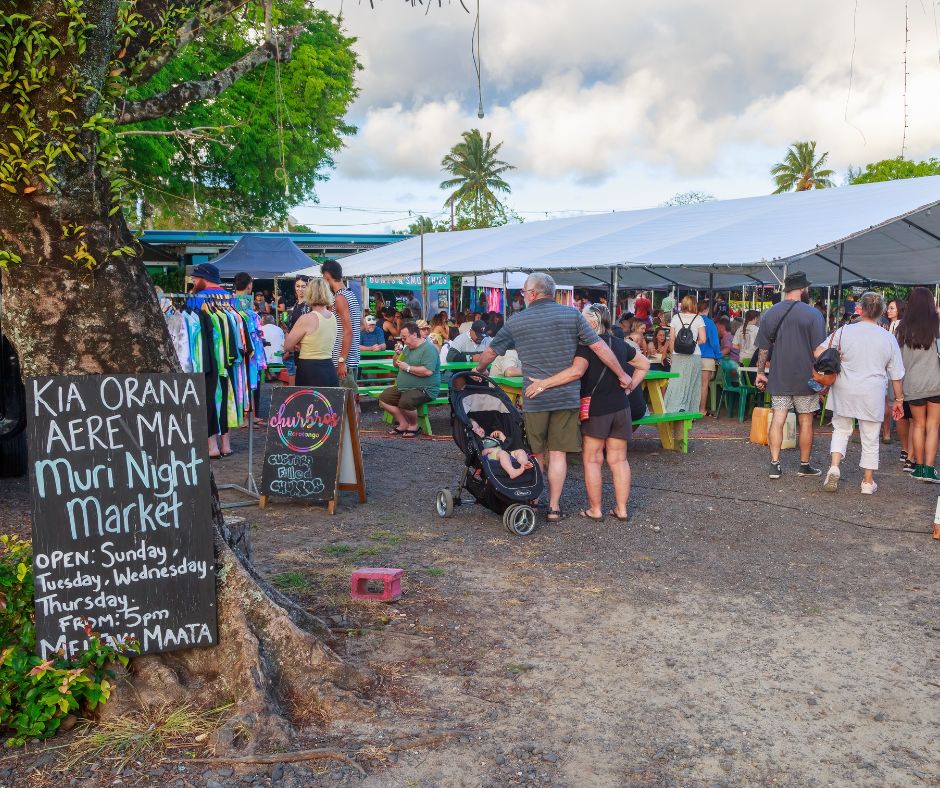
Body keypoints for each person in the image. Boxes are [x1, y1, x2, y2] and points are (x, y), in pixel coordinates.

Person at [473, 273, 631, 523]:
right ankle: (555, 507)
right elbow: (599, 347)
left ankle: (533, 498)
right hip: (567, 398)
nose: (523, 297)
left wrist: (479, 370)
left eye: (524, 292)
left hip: (536, 397)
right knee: (558, 454)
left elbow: (492, 351)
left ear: (533, 294)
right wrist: (622, 374)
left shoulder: (518, 320)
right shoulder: (572, 315)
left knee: (536, 452)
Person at [523, 304, 650, 522]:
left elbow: (576, 372)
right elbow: (644, 364)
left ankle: (596, 509)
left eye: (582, 320)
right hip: (621, 408)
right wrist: (629, 388)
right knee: (619, 460)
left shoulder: (585, 347)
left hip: (596, 409)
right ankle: (622, 509)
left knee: (592, 460)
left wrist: (544, 384)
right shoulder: (621, 345)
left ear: (592, 323)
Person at [818, 292, 904, 495]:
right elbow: (896, 375)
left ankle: (834, 466)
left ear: (861, 309)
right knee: (871, 436)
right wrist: (898, 400)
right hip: (872, 391)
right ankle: (867, 482)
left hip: (844, 388)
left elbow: (818, 351)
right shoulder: (888, 337)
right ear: (881, 312)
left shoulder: (844, 331)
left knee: (841, 429)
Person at [754, 271, 826, 479]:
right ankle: (804, 465)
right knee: (806, 421)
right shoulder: (813, 314)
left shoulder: (770, 313)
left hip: (779, 376)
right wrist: (824, 378)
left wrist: (760, 373)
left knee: (778, 418)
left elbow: (764, 350)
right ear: (802, 289)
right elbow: (818, 351)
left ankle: (775, 464)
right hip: (807, 378)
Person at [896, 287, 940, 484]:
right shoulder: (937, 325)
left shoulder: (903, 328)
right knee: (933, 426)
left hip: (913, 384)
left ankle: (919, 467)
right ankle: (930, 470)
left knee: (918, 425)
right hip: (936, 382)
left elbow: (900, 362)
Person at [190, 263, 233, 458]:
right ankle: (226, 445)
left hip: (207, 356)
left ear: (203, 278)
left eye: (195, 277)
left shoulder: (197, 298)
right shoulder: (230, 298)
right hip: (230, 356)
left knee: (208, 399)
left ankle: (212, 446)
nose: (192, 280)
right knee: (225, 398)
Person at [379, 321, 441, 436]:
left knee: (405, 401)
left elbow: (428, 371)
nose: (403, 340)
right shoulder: (407, 348)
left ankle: (414, 425)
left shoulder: (429, 349)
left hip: (425, 389)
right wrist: (397, 353)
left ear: (414, 335)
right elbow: (395, 364)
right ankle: (403, 424)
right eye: (402, 338)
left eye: (404, 337)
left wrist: (408, 368)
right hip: (405, 387)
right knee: (384, 397)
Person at [283, 278, 339, 387]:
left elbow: (287, 346)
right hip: (328, 367)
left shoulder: (306, 318)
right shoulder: (332, 317)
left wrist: (298, 345)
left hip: (310, 370)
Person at [321, 259, 361, 401]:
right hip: (351, 359)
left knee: (344, 403)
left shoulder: (340, 298)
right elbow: (359, 326)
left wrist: (341, 360)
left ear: (327, 275)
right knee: (351, 402)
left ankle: (353, 424)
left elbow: (348, 331)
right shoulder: (351, 295)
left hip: (344, 361)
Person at [663, 295, 706, 414]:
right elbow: (703, 339)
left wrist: (672, 354)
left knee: (675, 382)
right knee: (692, 383)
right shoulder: (698, 319)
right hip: (694, 355)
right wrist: (693, 343)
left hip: (677, 354)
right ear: (694, 304)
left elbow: (671, 339)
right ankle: (690, 413)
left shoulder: (676, 318)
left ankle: (672, 410)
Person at [697, 300, 722, 417]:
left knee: (693, 384)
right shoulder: (709, 323)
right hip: (707, 357)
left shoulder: (693, 321)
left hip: (693, 356)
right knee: (704, 385)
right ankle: (702, 410)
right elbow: (715, 342)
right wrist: (718, 356)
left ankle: (691, 409)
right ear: (707, 310)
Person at [285, 275, 311, 385]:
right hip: (295, 350)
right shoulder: (294, 306)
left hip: (306, 349)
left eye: (303, 286)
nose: (300, 289)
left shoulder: (309, 306)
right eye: (297, 286)